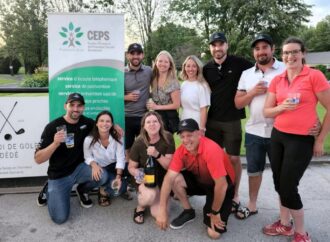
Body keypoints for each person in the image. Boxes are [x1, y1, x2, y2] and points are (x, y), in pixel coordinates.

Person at [263, 37, 330, 242]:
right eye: (286, 53)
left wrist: (319, 140)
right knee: (278, 182)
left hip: (301, 140)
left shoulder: (314, 76)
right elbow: (267, 111)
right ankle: (285, 225)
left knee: (288, 186)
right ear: (281, 55)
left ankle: (301, 233)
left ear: (303, 54)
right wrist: (281, 108)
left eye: (294, 52)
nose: (290, 56)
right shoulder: (277, 79)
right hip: (278, 137)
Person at [156, 118, 236, 239]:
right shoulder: (181, 151)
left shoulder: (211, 149)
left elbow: (222, 185)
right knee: (174, 177)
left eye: (190, 135)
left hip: (221, 187)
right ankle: (188, 211)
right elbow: (168, 178)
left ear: (199, 133)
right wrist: (162, 209)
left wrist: (214, 212)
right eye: (182, 136)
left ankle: (223, 205)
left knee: (214, 234)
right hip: (201, 181)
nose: (186, 140)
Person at [34, 93, 108, 224]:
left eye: (79, 106)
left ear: (83, 108)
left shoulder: (87, 123)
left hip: (79, 169)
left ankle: (82, 190)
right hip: (59, 175)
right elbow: (38, 159)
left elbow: (103, 126)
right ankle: (48, 188)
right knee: (60, 218)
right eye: (72, 105)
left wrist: (116, 127)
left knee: (103, 176)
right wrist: (55, 143)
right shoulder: (52, 126)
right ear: (65, 106)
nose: (75, 109)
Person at [234, 34, 285, 219]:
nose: (261, 51)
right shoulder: (247, 74)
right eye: (257, 48)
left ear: (273, 49)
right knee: (254, 171)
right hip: (254, 131)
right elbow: (238, 103)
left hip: (280, 131)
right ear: (253, 52)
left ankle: (284, 212)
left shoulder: (285, 70)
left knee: (281, 174)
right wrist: (253, 92)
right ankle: (252, 205)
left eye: (265, 47)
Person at [203, 32, 253, 213]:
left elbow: (260, 71)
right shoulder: (206, 68)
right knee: (212, 159)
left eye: (221, 44)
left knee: (233, 158)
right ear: (210, 48)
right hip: (212, 121)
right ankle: (214, 190)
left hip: (232, 120)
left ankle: (235, 193)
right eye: (214, 45)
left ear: (227, 46)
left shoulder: (240, 64)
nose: (217, 48)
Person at [128, 111, 175, 224]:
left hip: (163, 179)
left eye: (155, 121)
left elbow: (170, 166)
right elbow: (131, 167)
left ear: (160, 124)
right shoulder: (139, 142)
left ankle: (160, 195)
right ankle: (140, 208)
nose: (152, 124)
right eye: (148, 122)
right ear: (144, 126)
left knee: (158, 214)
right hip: (147, 179)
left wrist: (157, 154)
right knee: (149, 196)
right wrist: (139, 174)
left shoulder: (168, 137)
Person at [83, 110, 131, 207]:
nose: (104, 124)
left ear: (112, 124)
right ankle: (103, 190)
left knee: (131, 168)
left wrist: (118, 175)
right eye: (101, 121)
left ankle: (122, 184)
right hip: (101, 168)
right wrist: (94, 165)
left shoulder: (118, 136)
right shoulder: (89, 139)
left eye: (108, 121)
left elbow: (121, 157)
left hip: (115, 165)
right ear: (96, 123)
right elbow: (87, 156)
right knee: (112, 188)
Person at [124, 43, 153, 160]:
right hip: (127, 117)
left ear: (143, 55)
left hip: (144, 117)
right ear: (127, 55)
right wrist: (127, 97)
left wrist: (151, 97)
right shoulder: (121, 73)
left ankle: (146, 171)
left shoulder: (149, 71)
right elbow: (114, 95)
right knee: (127, 148)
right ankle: (128, 172)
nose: (135, 56)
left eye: (138, 53)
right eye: (132, 53)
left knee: (145, 147)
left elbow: (157, 86)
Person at [147, 50, 181, 134]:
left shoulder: (173, 82)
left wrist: (156, 107)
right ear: (156, 62)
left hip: (168, 118)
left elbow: (176, 105)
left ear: (170, 65)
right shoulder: (153, 79)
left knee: (166, 144)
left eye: (166, 62)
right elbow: (154, 94)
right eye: (160, 61)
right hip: (156, 117)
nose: (163, 64)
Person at [180, 55, 210, 134]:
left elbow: (204, 109)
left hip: (197, 122)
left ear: (198, 68)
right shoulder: (183, 84)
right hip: (184, 120)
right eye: (188, 66)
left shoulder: (202, 85)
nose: (190, 69)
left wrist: (202, 128)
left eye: (194, 66)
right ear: (184, 67)